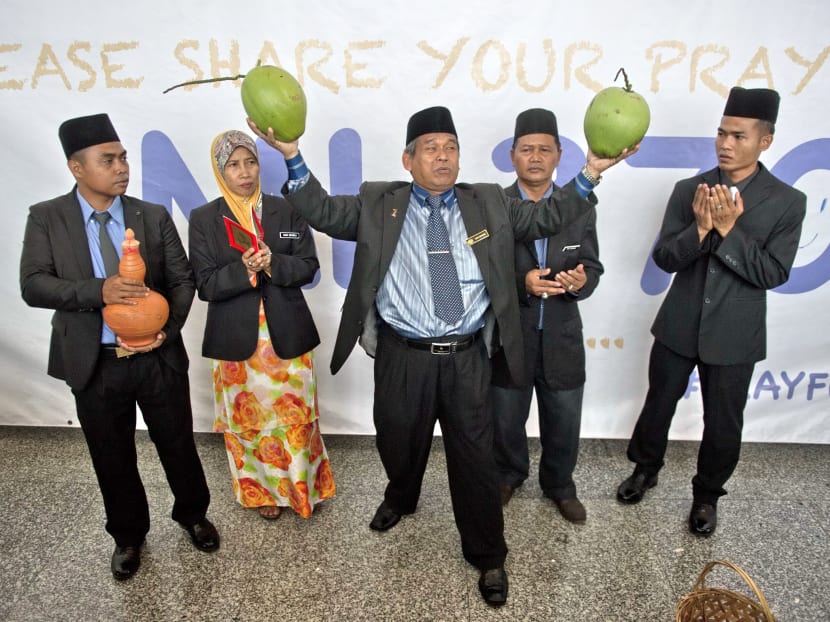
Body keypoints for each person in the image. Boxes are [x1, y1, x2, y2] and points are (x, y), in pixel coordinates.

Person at [248, 106, 635, 607]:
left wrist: (591, 173)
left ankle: (489, 555)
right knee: (398, 441)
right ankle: (400, 497)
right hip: (401, 354)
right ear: (408, 160)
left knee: (475, 459)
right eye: (431, 148)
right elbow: (321, 209)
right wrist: (292, 156)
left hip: (467, 356)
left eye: (451, 147)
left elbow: (548, 215)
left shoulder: (489, 203)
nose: (444, 156)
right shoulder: (378, 202)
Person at [19, 113, 220, 581]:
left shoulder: (151, 215)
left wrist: (165, 334)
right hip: (95, 361)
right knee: (111, 453)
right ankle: (128, 536)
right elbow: (33, 285)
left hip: (157, 357)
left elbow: (182, 281)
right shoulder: (47, 217)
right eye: (108, 160)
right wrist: (98, 291)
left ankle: (193, 515)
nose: (121, 166)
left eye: (124, 157)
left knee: (178, 443)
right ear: (77, 167)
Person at [616, 87, 807, 536]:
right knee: (658, 404)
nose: (725, 143)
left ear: (765, 141)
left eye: (738, 136)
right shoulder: (690, 190)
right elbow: (665, 257)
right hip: (678, 324)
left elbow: (773, 273)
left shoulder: (787, 201)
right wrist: (700, 229)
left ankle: (706, 495)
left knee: (723, 421)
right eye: (721, 133)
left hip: (736, 332)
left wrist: (729, 229)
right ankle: (645, 469)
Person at [188, 130, 335, 521]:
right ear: (221, 170)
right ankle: (260, 494)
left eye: (250, 162)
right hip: (235, 341)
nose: (244, 172)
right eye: (233, 165)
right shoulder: (204, 219)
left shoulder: (286, 211)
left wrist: (273, 263)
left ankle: (302, 489)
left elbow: (308, 267)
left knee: (295, 418)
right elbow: (205, 284)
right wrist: (243, 270)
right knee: (248, 423)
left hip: (287, 336)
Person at [490, 109, 603, 524]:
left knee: (564, 419)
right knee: (505, 418)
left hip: (562, 334)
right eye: (526, 150)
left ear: (558, 156)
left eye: (544, 149)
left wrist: (579, 281)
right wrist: (523, 283)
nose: (535, 157)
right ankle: (508, 475)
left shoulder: (580, 206)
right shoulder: (493, 205)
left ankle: (560, 486)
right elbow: (481, 272)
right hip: (510, 335)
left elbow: (593, 266)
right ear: (511, 156)